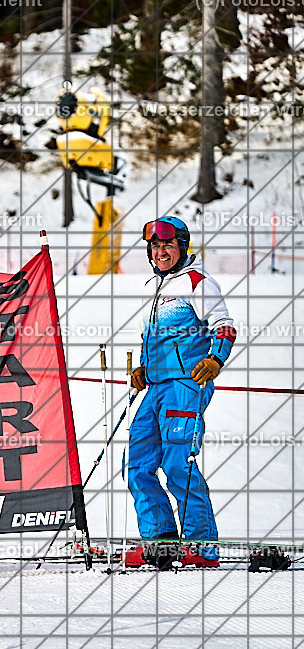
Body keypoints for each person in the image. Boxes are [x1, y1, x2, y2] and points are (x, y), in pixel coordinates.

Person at [124, 216, 236, 569]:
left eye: (168, 246)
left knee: (177, 464)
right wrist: (144, 367)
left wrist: (215, 359)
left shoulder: (197, 282)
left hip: (187, 386)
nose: (161, 252)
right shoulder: (151, 287)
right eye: (155, 247)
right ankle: (162, 541)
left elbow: (225, 326)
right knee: (138, 467)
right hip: (156, 389)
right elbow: (151, 337)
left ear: (182, 247)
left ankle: (202, 546)